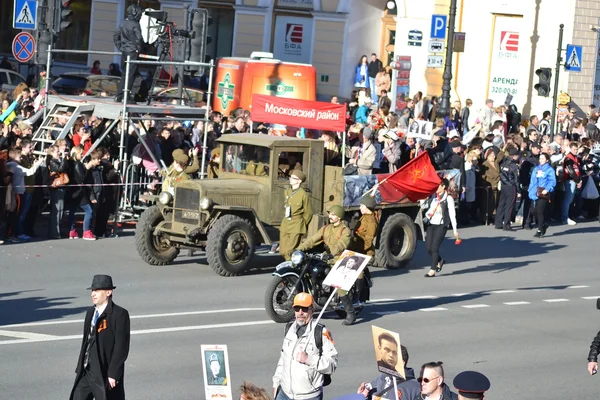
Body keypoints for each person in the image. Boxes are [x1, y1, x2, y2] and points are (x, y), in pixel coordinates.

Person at [69, 275, 130, 400]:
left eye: (97, 291)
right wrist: (80, 366)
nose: (93, 294)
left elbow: (121, 347)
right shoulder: (90, 312)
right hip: (87, 370)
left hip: (104, 371)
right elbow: (86, 341)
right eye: (92, 291)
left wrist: (113, 373)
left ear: (108, 292)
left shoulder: (119, 314)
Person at [273, 293, 338, 400]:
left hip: (308, 396)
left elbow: (332, 365)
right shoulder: (289, 328)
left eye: (304, 309)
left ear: (312, 310)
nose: (300, 312)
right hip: (284, 393)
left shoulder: (321, 332)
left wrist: (309, 359)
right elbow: (283, 358)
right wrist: (276, 382)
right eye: (297, 308)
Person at [297, 205, 353, 324]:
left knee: (339, 285)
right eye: (330, 214)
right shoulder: (326, 228)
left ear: (339, 217)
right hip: (325, 258)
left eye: (333, 214)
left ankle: (350, 313)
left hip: (339, 259)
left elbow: (342, 244)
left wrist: (331, 253)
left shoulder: (345, 231)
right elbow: (312, 240)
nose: (330, 216)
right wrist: (299, 249)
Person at [423, 179, 459, 278]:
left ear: (443, 187)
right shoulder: (434, 197)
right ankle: (440, 260)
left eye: (438, 186)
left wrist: (455, 230)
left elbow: (452, 215)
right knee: (429, 248)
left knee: (434, 248)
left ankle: (432, 270)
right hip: (431, 224)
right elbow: (429, 209)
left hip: (441, 225)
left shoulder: (448, 199)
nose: (436, 188)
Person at [279, 170, 313, 260]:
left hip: (296, 224)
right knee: (282, 251)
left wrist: (302, 224)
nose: (291, 179)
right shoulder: (287, 192)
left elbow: (308, 212)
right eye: (291, 177)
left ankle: (292, 267)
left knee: (289, 251)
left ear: (299, 181)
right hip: (286, 223)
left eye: (294, 178)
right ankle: (291, 263)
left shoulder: (303, 194)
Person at [349, 196, 378, 302]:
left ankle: (357, 294)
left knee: (358, 271)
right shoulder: (364, 217)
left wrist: (359, 253)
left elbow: (368, 241)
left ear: (367, 207)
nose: (360, 207)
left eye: (362, 206)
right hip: (356, 249)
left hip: (364, 252)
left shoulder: (371, 222)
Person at [113, 4, 143, 102]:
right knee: (130, 75)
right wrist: (138, 49)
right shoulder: (135, 24)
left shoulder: (123, 23)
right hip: (132, 52)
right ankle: (126, 96)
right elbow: (139, 39)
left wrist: (121, 47)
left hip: (124, 52)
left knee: (124, 74)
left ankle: (119, 95)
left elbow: (116, 36)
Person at [528, 153, 556, 238]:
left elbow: (552, 181)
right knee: (533, 211)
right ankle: (543, 223)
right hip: (534, 192)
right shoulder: (536, 169)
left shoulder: (550, 170)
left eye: (543, 158)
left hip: (543, 192)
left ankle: (539, 230)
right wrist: (530, 191)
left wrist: (547, 189)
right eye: (540, 158)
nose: (541, 160)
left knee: (540, 211)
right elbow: (532, 181)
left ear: (547, 160)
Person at [495, 147, 520, 231]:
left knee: (501, 204)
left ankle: (498, 223)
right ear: (515, 156)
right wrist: (518, 189)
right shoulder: (514, 165)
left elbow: (501, 174)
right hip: (511, 187)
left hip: (503, 185)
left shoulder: (503, 163)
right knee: (509, 206)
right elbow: (516, 179)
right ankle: (506, 225)